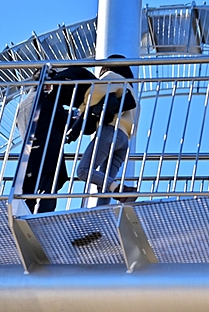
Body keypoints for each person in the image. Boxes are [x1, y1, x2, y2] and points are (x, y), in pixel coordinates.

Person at [15, 66, 96, 213]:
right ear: (47, 84)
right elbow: (65, 122)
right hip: (47, 157)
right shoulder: (46, 100)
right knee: (45, 199)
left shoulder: (22, 105)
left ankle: (26, 228)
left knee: (29, 200)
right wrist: (80, 118)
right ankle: (41, 229)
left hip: (28, 159)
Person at [69, 56, 139, 206]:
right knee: (105, 183)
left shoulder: (111, 77)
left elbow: (92, 96)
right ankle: (101, 220)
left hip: (109, 132)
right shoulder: (132, 92)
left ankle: (121, 189)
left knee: (84, 170)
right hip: (124, 140)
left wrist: (80, 113)